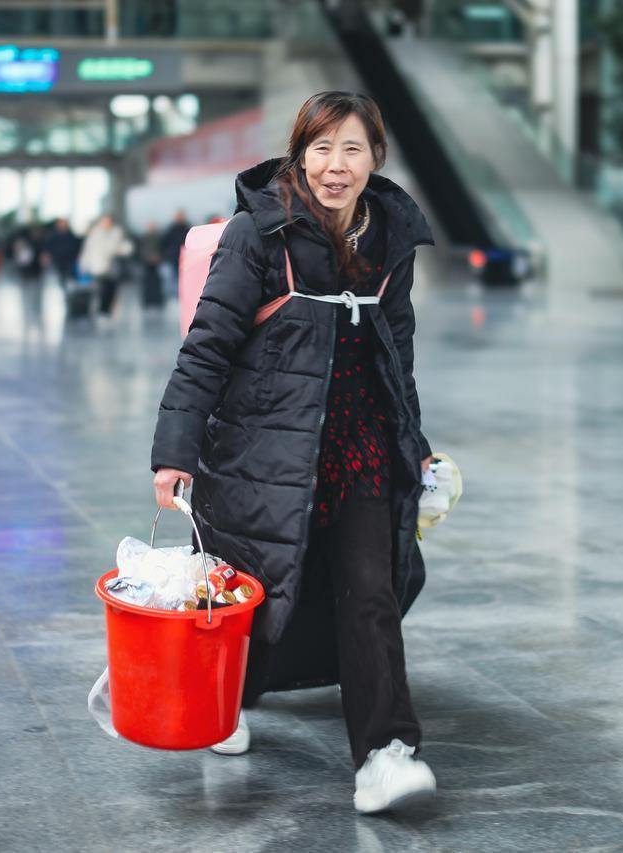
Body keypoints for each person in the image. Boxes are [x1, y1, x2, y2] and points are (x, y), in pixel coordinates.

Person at [150, 91, 437, 814]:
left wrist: (417, 446)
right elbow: (208, 346)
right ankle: (226, 703)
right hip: (264, 449)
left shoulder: (390, 239)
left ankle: (387, 752)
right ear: (299, 155)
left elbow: (397, 352)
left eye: (352, 149)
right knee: (254, 591)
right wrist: (174, 450)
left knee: (371, 591)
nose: (336, 165)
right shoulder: (258, 234)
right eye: (322, 148)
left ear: (375, 158)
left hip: (360, 447)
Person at [78, 214, 132, 315]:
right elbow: (87, 250)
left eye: (108, 221)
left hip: (113, 266)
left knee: (112, 289)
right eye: (104, 221)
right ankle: (100, 311)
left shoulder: (117, 233)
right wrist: (83, 264)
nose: (106, 223)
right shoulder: (94, 234)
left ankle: (107, 311)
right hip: (98, 265)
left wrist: (122, 250)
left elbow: (126, 246)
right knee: (100, 289)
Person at [159, 209, 191, 299]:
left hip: (185, 258)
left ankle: (182, 296)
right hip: (172, 258)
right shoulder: (171, 229)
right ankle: (174, 297)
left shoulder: (188, 229)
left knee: (183, 279)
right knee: (172, 279)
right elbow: (164, 243)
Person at [43, 218, 82, 288]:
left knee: (70, 281)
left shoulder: (72, 236)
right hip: (57, 263)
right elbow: (47, 249)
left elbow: (77, 247)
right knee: (61, 281)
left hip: (70, 262)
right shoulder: (52, 236)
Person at [135, 222, 164, 308]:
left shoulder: (159, 238)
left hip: (156, 263)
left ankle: (156, 301)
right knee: (147, 283)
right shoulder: (144, 238)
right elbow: (141, 250)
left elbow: (162, 249)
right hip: (146, 263)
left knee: (156, 283)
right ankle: (147, 301)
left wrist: (158, 257)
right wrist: (148, 257)